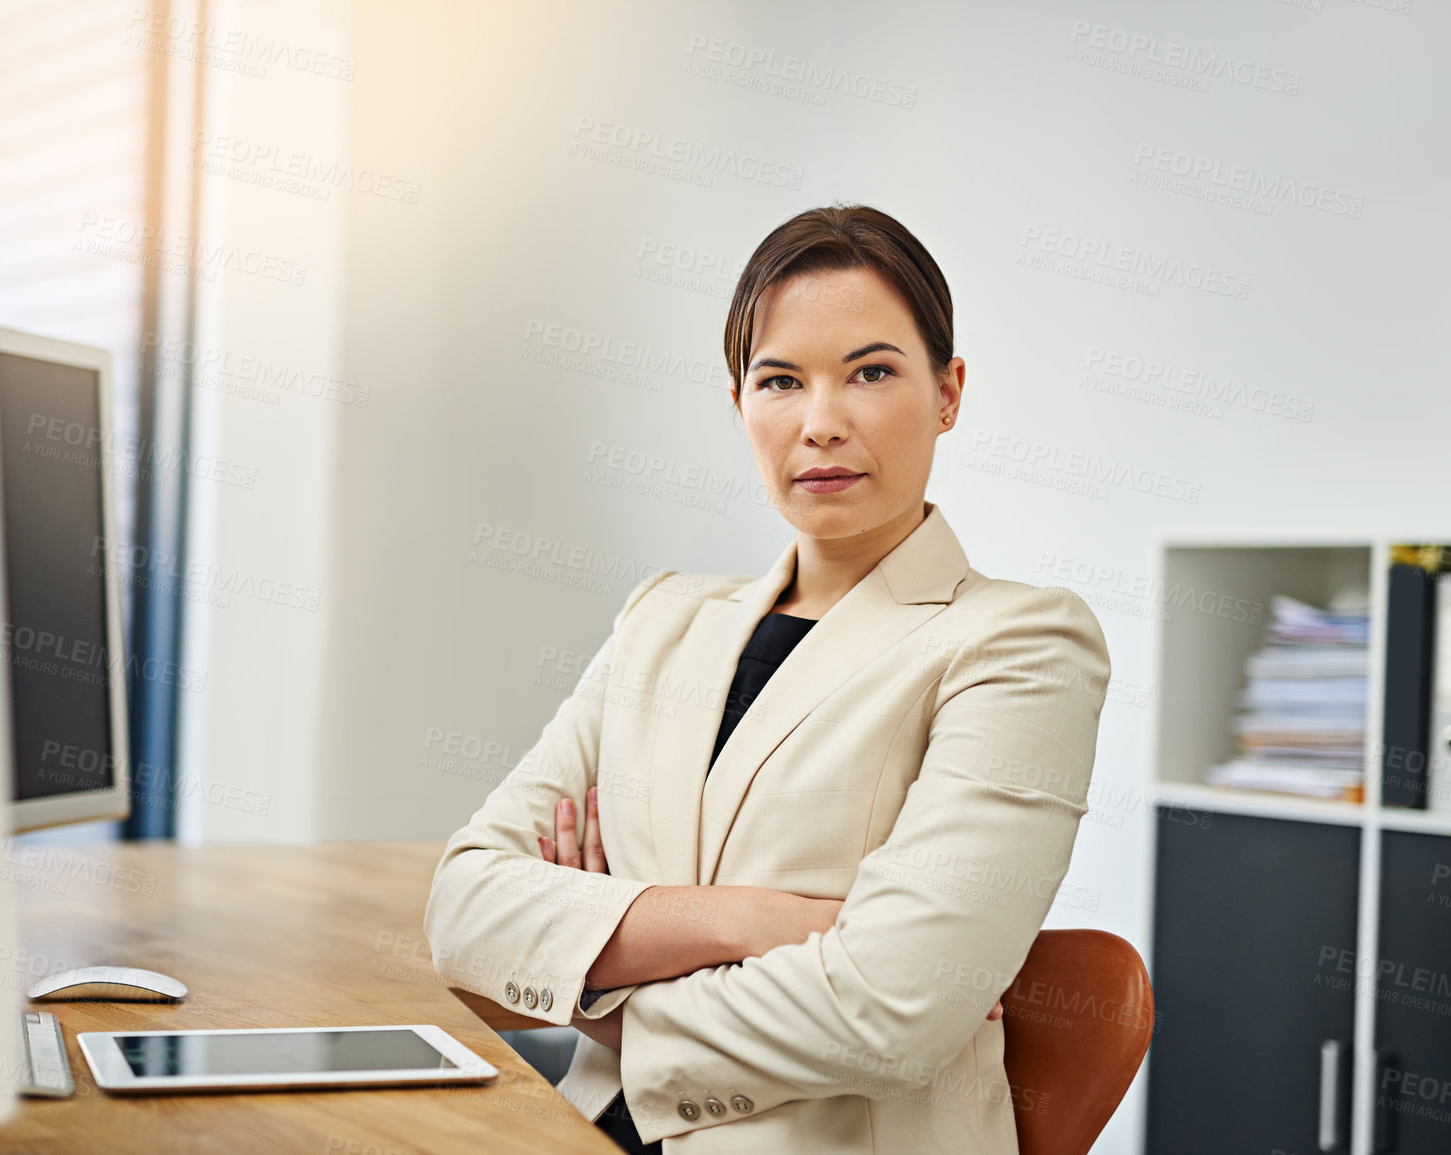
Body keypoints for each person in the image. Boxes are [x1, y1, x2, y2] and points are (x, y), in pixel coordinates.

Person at [423, 205, 1112, 1153]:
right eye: (779, 379)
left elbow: (894, 1008)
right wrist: (769, 922)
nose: (820, 424)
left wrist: (601, 984)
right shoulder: (660, 619)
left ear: (948, 393)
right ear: (739, 402)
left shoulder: (1020, 642)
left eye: (871, 372)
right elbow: (465, 905)